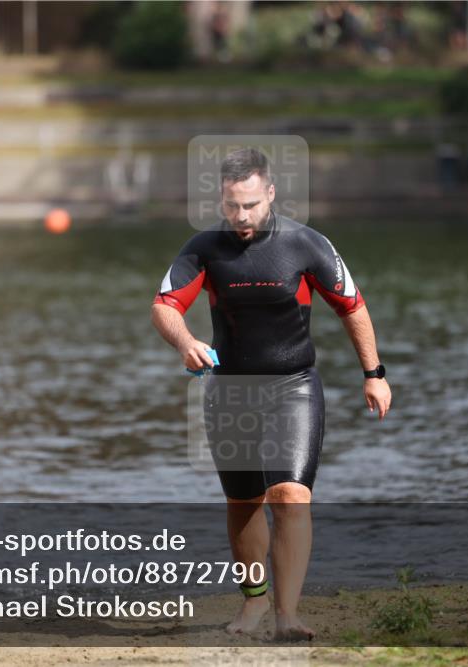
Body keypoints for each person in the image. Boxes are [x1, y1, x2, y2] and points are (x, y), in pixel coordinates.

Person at [150, 148, 391, 640]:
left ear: (271, 195)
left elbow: (353, 307)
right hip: (231, 391)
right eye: (233, 206)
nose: (241, 216)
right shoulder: (203, 248)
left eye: (252, 205)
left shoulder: (307, 245)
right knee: (243, 502)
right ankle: (254, 604)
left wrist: (374, 372)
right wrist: (186, 340)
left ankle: (288, 616)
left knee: (290, 496)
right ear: (220, 199)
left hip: (293, 386)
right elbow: (164, 305)